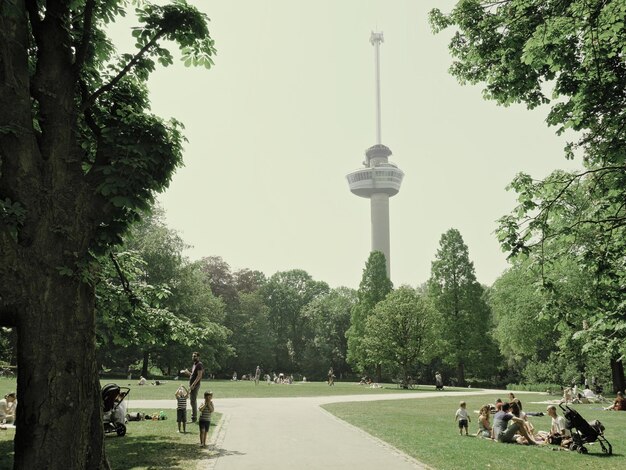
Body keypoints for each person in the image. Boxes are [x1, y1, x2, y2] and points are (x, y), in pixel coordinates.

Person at [180, 351, 204, 422]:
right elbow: (193, 375)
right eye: (193, 356)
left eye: (195, 356)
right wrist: (187, 372)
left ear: (198, 357)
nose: (193, 357)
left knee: (193, 401)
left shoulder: (199, 364)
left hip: (195, 385)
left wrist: (193, 384)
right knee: (192, 401)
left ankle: (194, 418)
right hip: (192, 384)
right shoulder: (194, 365)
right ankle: (193, 417)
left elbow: (199, 376)